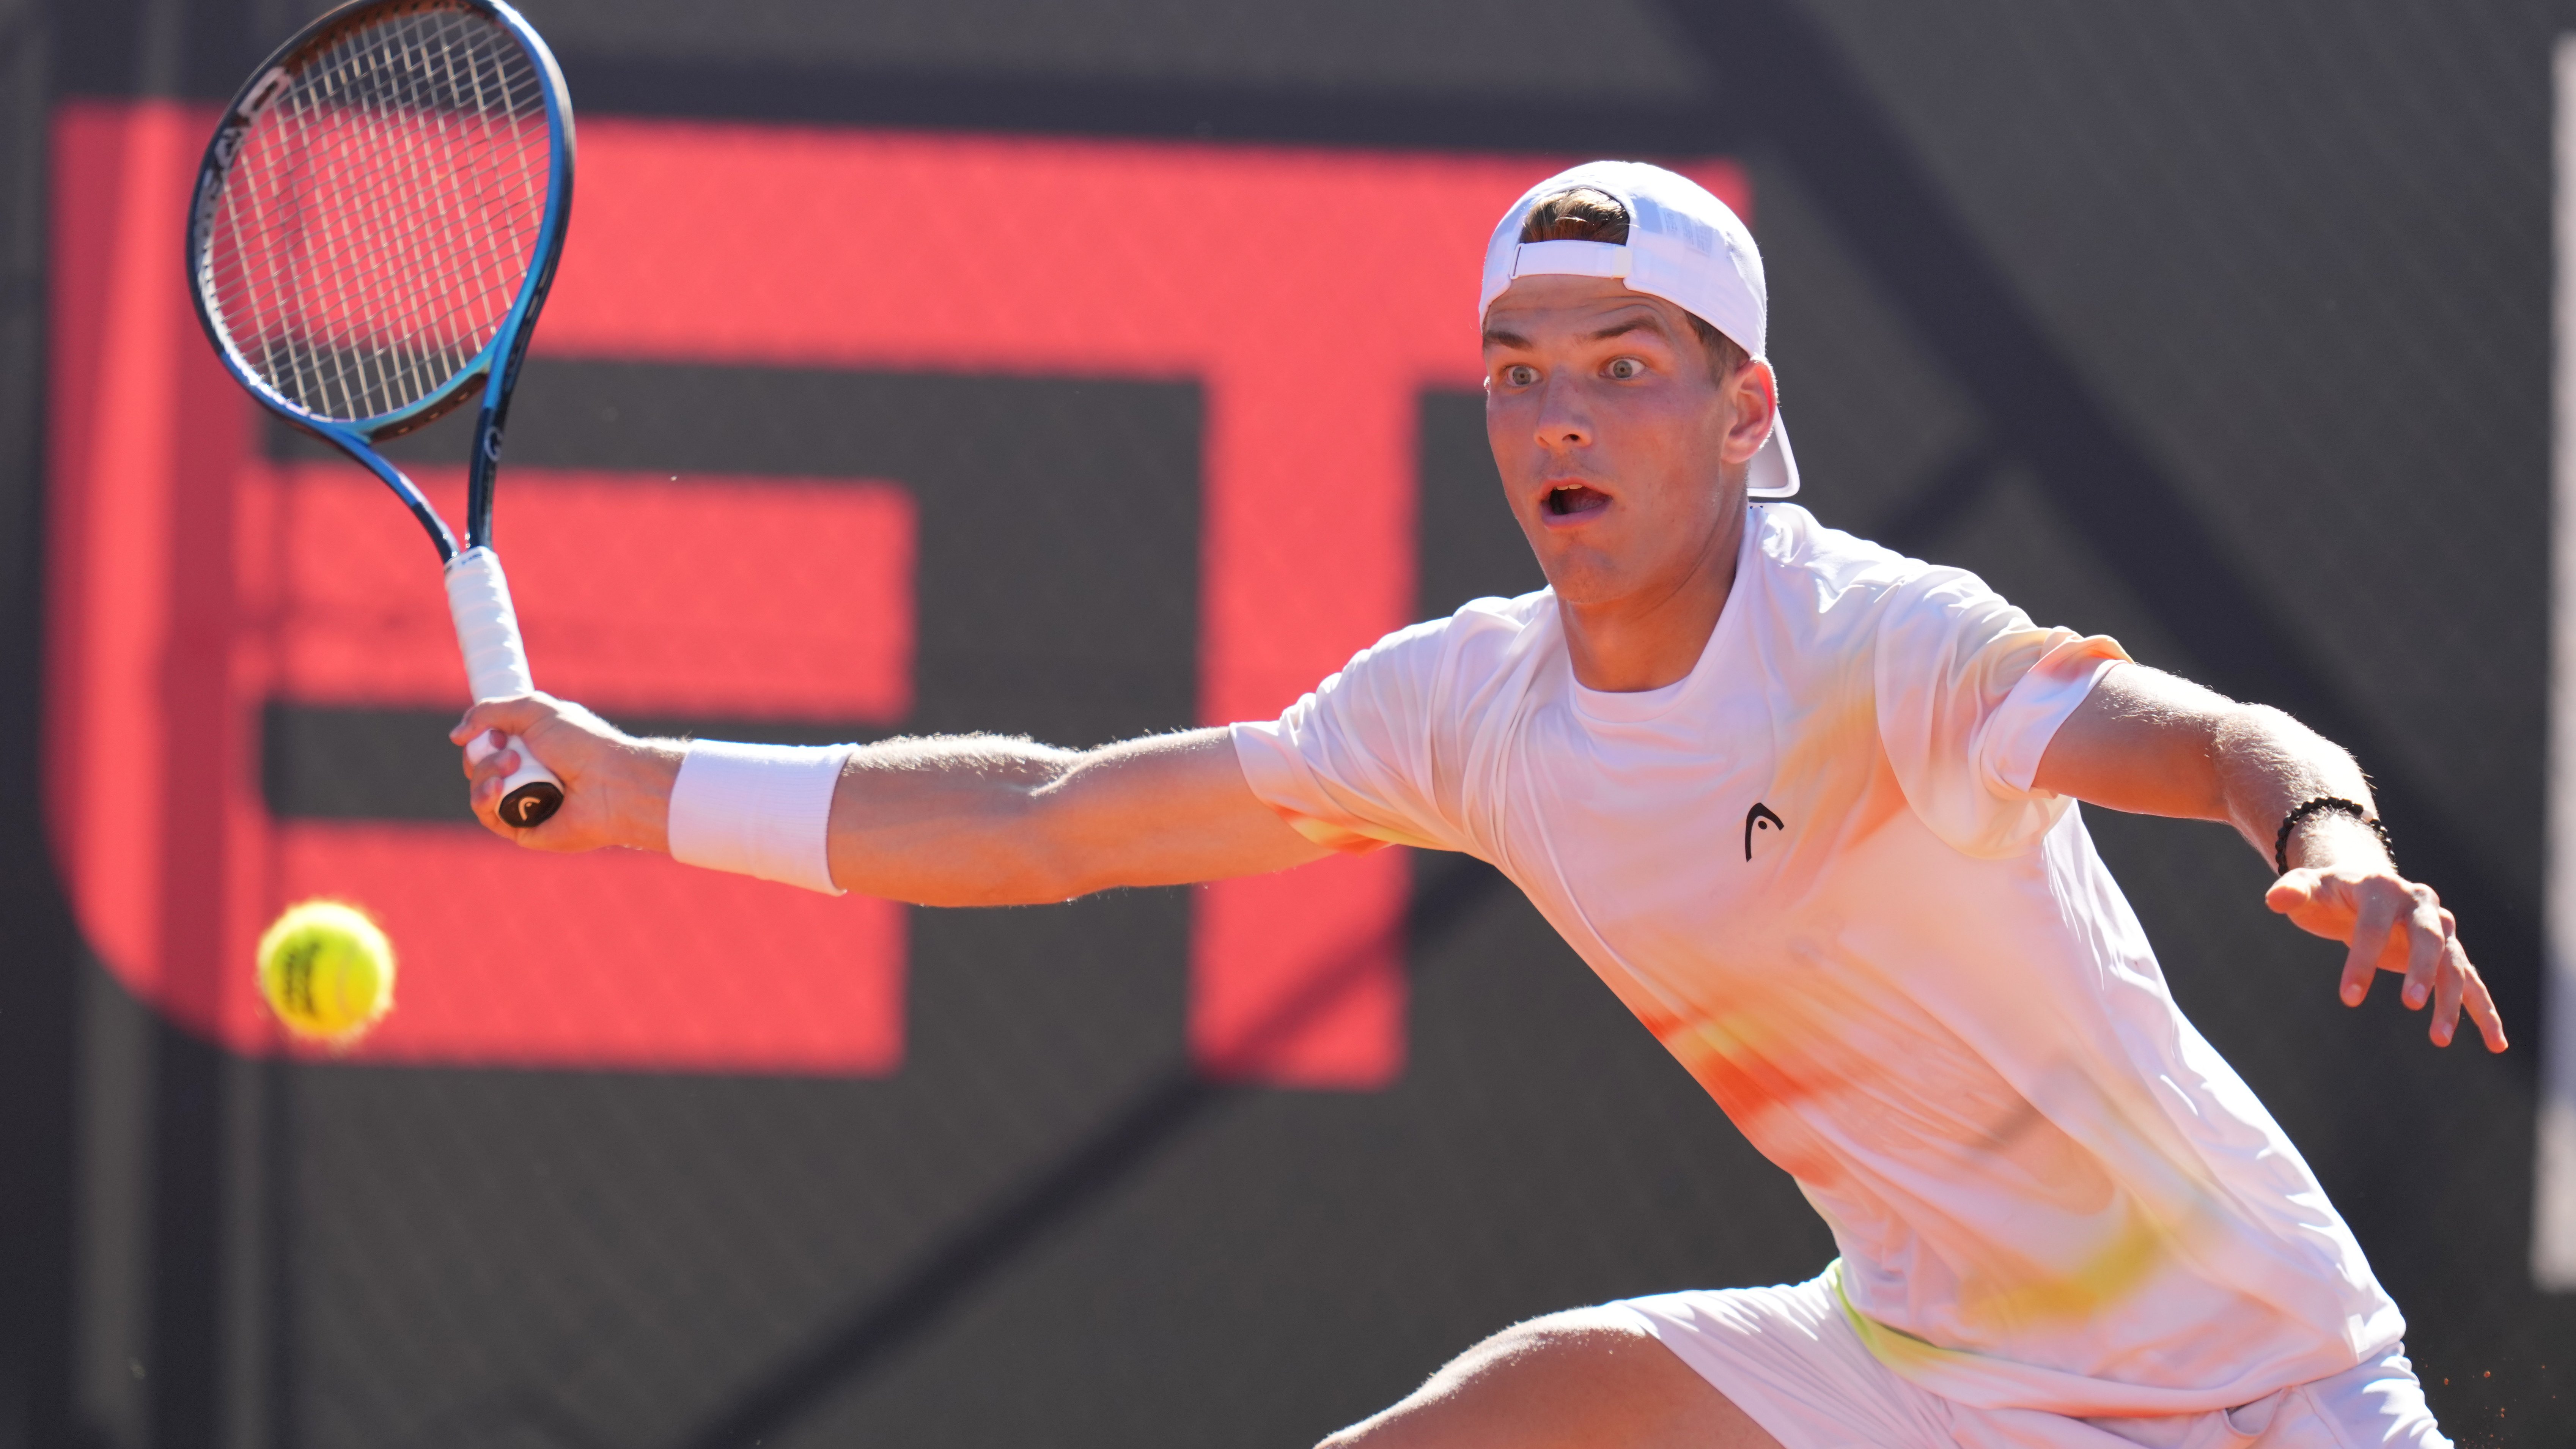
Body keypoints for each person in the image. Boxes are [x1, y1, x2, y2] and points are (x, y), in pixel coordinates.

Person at [451, 162, 2500, 1449]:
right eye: (1518, 371)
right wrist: (639, 797)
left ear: (1746, 410)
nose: (1557, 417)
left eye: (1622, 365)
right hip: (1919, 1371)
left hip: (2258, 1385)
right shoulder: (1465, 708)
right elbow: (1058, 819)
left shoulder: (1878, 649)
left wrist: (2326, 843)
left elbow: (2210, 738)